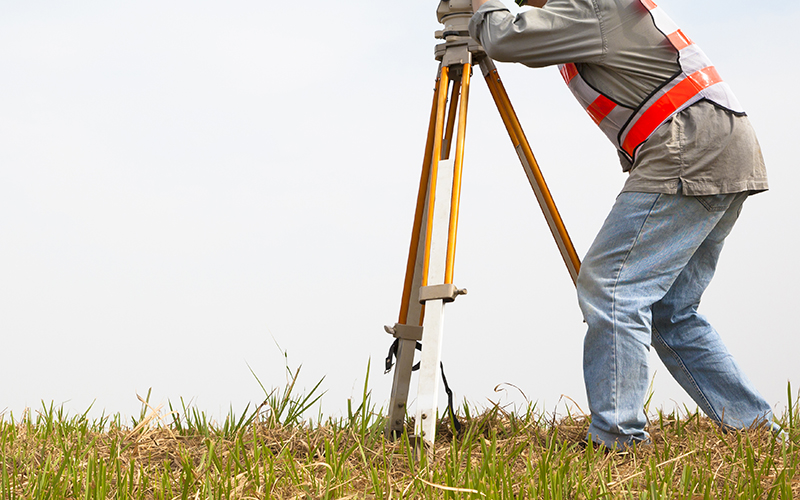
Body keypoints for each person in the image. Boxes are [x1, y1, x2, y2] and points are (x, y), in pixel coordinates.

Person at [469, 0, 774, 449]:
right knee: (669, 311)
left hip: (690, 145)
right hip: (718, 143)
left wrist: (482, 6)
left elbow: (506, 37)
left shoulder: (589, 3)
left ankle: (618, 439)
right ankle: (757, 431)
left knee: (611, 288)